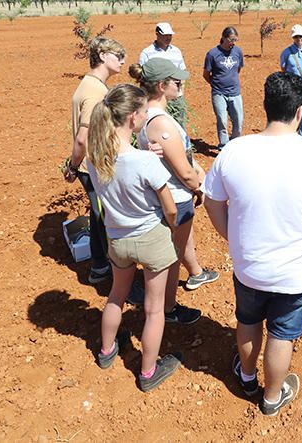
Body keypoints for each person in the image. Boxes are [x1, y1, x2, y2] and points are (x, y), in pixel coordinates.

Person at [203, 72, 302, 416]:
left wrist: (232, 237)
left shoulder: (235, 150)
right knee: (282, 334)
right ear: (300, 112)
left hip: (249, 265)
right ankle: (272, 397)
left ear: (266, 106)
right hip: (299, 272)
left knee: (249, 320)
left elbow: (212, 203)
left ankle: (246, 375)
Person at [85, 84, 183, 391]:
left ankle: (106, 350)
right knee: (154, 309)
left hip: (117, 239)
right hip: (151, 236)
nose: (144, 116)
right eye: (141, 112)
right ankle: (148, 372)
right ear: (131, 118)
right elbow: (169, 208)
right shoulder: (145, 162)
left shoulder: (95, 158)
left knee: (116, 295)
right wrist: (171, 227)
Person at [129, 59, 219, 307]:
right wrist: (198, 187)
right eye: (176, 81)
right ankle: (167, 307)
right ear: (161, 86)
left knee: (178, 244)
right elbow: (183, 172)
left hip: (168, 195)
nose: (180, 85)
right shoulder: (161, 122)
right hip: (177, 197)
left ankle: (195, 274)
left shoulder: (146, 114)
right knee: (172, 257)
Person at [64, 36, 126, 284]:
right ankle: (110, 271)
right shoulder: (96, 92)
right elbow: (82, 138)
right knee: (106, 219)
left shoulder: (89, 84)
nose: (122, 61)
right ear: (102, 56)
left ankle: (100, 268)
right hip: (96, 168)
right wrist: (73, 165)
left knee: (98, 217)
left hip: (93, 166)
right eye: (118, 56)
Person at [203, 26, 244, 148]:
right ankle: (224, 146)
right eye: (231, 40)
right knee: (222, 121)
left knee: (239, 121)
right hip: (219, 93)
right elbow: (206, 74)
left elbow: (238, 69)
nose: (233, 43)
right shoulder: (212, 54)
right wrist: (216, 84)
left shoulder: (238, 52)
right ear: (223, 38)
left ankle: (235, 144)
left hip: (235, 92)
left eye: (235, 40)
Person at [279, 24, 302, 136]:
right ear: (292, 38)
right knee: (292, 112)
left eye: (300, 36)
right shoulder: (286, 52)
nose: (298, 39)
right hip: (292, 87)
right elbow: (283, 68)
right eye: (296, 37)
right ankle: (290, 134)